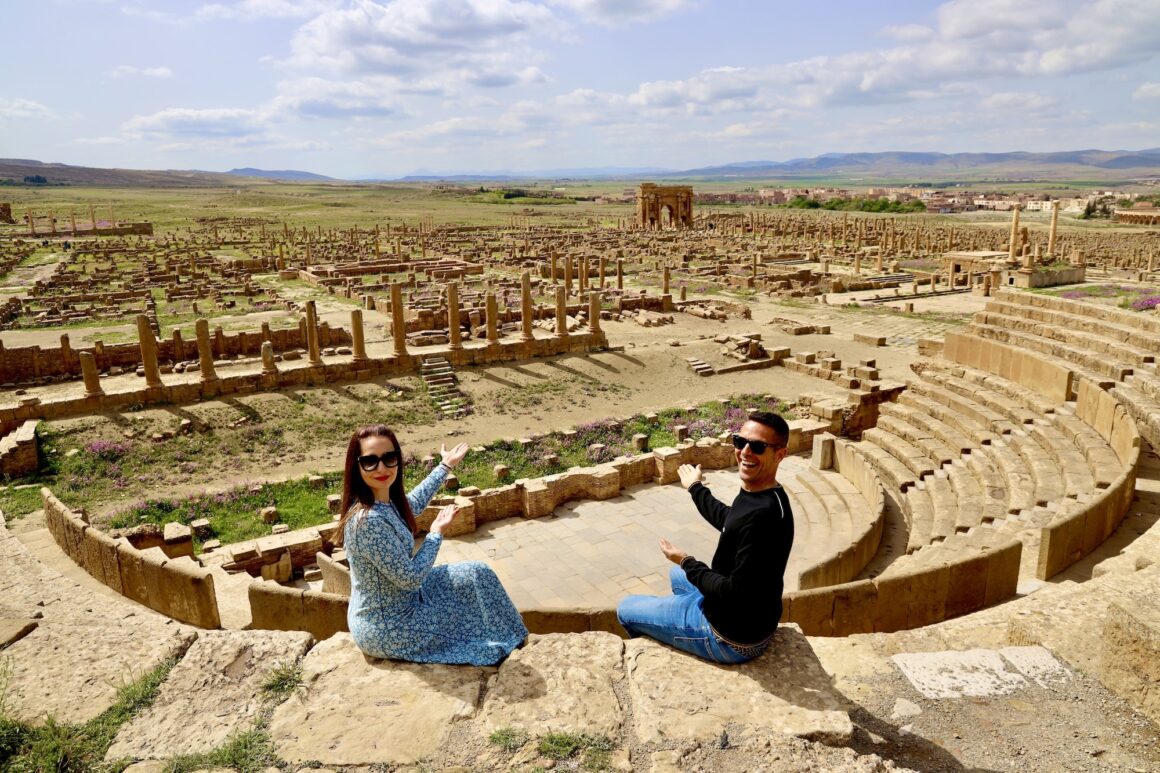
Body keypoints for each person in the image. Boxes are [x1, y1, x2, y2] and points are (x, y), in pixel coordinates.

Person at [334, 424, 527, 665]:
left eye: (389, 458)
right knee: (467, 619)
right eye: (370, 461)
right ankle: (506, 648)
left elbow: (412, 503)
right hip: (389, 627)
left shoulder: (384, 501)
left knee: (478, 573)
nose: (381, 468)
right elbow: (411, 578)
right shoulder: (367, 522)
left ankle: (519, 640)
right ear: (357, 465)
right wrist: (435, 533)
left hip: (405, 600)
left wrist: (445, 466)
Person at [616, 411, 794, 664]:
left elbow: (732, 592)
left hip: (730, 636)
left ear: (780, 454)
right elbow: (731, 519)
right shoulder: (768, 494)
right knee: (676, 576)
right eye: (740, 442)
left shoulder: (761, 517)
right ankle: (674, 616)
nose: (745, 452)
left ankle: (657, 651)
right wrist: (695, 488)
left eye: (757, 446)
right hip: (754, 615)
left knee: (626, 608)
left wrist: (686, 560)